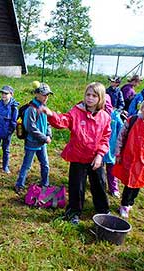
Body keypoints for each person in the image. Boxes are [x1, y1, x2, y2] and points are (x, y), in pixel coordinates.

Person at [40, 82, 111, 225]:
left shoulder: (104, 117)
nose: (90, 98)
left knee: (99, 184)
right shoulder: (76, 111)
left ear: (100, 98)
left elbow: (105, 138)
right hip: (78, 157)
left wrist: (100, 155)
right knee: (76, 186)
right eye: (88, 95)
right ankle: (73, 212)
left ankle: (103, 210)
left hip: (95, 158)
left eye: (94, 96)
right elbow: (63, 121)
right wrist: (50, 114)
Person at [113, 98, 144, 218]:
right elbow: (121, 136)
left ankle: (131, 202)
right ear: (141, 108)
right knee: (129, 182)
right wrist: (118, 153)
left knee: (138, 182)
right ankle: (124, 204)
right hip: (129, 157)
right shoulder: (132, 120)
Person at [14, 83, 52, 194]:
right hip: (32, 142)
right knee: (27, 165)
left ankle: (45, 184)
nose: (46, 97)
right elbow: (30, 127)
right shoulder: (31, 109)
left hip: (42, 143)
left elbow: (48, 123)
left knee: (45, 164)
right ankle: (19, 184)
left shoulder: (44, 107)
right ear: (37, 94)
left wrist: (48, 135)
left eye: (48, 95)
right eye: (44, 95)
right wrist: (44, 138)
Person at [0, 85, 19, 174]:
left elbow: (14, 122)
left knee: (6, 149)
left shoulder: (14, 108)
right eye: (2, 93)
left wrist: (9, 132)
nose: (3, 95)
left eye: (6, 93)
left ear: (11, 94)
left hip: (6, 132)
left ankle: (5, 166)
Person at [103, 109, 124, 198]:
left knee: (111, 169)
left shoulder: (114, 115)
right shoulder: (94, 113)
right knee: (96, 169)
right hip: (97, 147)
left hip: (111, 147)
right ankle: (99, 185)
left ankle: (113, 188)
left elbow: (121, 129)